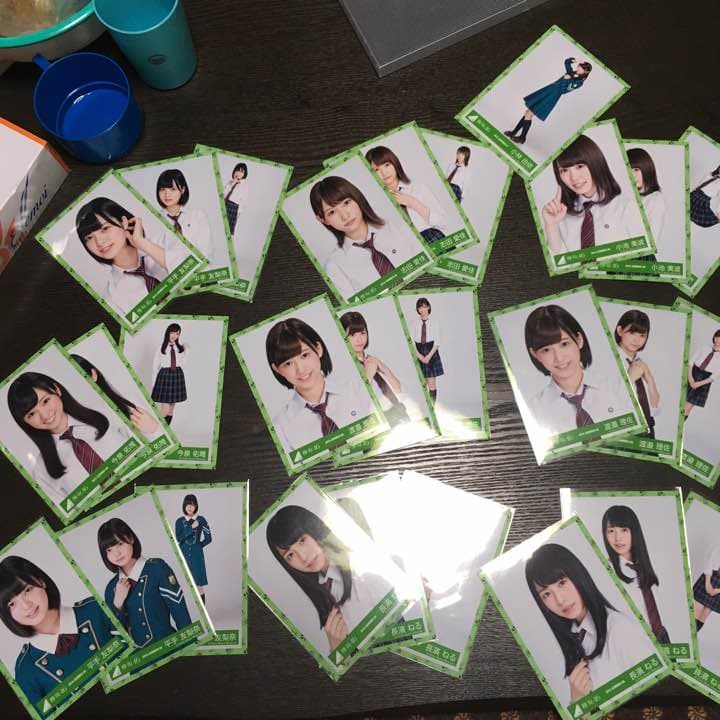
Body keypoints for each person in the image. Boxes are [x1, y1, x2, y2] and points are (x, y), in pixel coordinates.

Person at [525, 543, 649, 705]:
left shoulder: (620, 630)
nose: (560, 600)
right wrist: (577, 701)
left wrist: (581, 704)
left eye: (562, 583)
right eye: (546, 594)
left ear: (578, 575)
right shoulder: (575, 639)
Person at [266, 505, 391, 655]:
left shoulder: (363, 571)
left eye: (302, 540)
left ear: (313, 528)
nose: (303, 557)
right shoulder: (323, 593)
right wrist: (336, 648)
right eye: (290, 555)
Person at [0, 555, 113, 707]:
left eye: (27, 590)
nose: (26, 605)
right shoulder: (25, 670)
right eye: (12, 604)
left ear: (41, 581)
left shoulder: (97, 609)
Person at [7, 372, 128, 505]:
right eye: (31, 414)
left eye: (45, 401)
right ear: (25, 422)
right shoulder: (42, 471)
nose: (44, 415)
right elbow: (71, 512)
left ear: (56, 389)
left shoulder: (106, 412)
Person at [266, 317, 373, 453]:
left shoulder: (355, 388)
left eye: (304, 355)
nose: (300, 369)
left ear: (318, 349)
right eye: (288, 363)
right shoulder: (281, 427)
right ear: (277, 369)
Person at [524, 304, 625, 438]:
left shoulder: (615, 386)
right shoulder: (533, 411)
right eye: (546, 350)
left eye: (564, 344)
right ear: (534, 354)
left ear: (579, 340)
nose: (559, 358)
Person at [75, 197, 186, 316]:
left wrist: (142, 243)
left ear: (124, 222)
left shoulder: (166, 242)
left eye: (105, 228)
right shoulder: (112, 298)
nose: (99, 242)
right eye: (89, 237)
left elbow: (192, 271)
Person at [309, 175, 416, 299]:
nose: (345, 216)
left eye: (346, 202)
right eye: (331, 212)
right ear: (322, 219)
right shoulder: (335, 267)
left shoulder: (398, 226)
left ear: (356, 197)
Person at [541, 134, 642, 256]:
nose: (574, 177)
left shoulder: (628, 207)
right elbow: (561, 260)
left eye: (579, 166)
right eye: (564, 170)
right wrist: (551, 226)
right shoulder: (562, 214)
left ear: (595, 162)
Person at [98, 518, 191, 648]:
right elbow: (116, 639)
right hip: (138, 659)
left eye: (120, 544)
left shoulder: (157, 569)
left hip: (171, 649)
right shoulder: (111, 588)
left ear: (131, 538)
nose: (116, 553)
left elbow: (181, 614)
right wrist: (117, 605)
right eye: (109, 550)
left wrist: (190, 649)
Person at [602, 505, 670, 643]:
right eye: (611, 531)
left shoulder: (645, 565)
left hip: (662, 636)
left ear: (634, 531)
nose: (617, 538)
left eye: (624, 530)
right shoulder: (606, 572)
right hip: (637, 642)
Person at [365, 146, 449, 248]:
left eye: (387, 165)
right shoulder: (377, 204)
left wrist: (412, 202)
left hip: (433, 239)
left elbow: (443, 222)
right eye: (377, 170)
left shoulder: (417, 188)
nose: (384, 172)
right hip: (409, 248)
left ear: (394, 163)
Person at [340, 310, 410, 427]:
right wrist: (368, 375)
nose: (359, 339)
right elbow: (354, 407)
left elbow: (398, 389)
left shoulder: (374, 359)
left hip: (399, 413)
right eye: (352, 335)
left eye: (362, 333)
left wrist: (384, 369)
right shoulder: (344, 369)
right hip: (377, 422)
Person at [504, 57, 592, 145]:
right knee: (528, 112)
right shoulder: (573, 73)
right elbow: (567, 62)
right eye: (579, 66)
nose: (578, 67)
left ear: (585, 72)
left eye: (581, 68)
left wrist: (566, 79)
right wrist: (576, 60)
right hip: (548, 91)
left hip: (552, 96)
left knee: (529, 113)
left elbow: (563, 91)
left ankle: (522, 137)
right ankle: (514, 132)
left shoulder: (579, 82)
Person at [71, 354, 160, 438]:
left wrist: (153, 430)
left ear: (93, 374)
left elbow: (160, 437)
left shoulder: (131, 402)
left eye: (81, 379)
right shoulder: (78, 428)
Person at [614, 310, 660, 439]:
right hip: (623, 431)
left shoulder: (643, 364)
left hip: (648, 430)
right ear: (620, 330)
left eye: (642, 335)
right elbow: (607, 405)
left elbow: (655, 408)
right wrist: (630, 379)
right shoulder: (609, 359)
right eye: (632, 332)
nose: (637, 340)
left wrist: (650, 379)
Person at [156, 168, 213, 262]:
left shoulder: (197, 216)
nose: (167, 195)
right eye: (162, 189)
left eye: (173, 189)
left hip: (197, 268)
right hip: (166, 270)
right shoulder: (154, 220)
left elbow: (205, 251)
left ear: (182, 189)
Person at [627, 147, 663, 261]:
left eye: (636, 169)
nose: (632, 175)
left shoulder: (655, 199)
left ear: (646, 169)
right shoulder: (630, 197)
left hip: (640, 257)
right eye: (628, 170)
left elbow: (651, 240)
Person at [175, 494, 212, 605]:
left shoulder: (201, 520)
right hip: (183, 554)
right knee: (183, 584)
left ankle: (202, 611)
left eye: (192, 505)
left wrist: (198, 547)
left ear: (196, 506)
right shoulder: (179, 521)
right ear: (184, 506)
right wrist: (191, 528)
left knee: (198, 585)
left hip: (197, 556)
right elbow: (178, 538)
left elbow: (209, 538)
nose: (190, 507)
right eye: (187, 504)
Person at [151, 323, 188, 426]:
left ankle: (166, 430)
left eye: (177, 333)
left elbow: (182, 363)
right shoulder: (161, 348)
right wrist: (153, 383)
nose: (174, 335)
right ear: (168, 332)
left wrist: (186, 351)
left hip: (177, 376)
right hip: (165, 376)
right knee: (165, 410)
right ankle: (157, 428)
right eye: (173, 332)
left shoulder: (179, 348)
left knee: (171, 409)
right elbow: (155, 366)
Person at [412, 297, 443, 405]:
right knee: (422, 383)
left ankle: (432, 407)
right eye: (420, 307)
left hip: (431, 351)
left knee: (431, 383)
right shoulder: (414, 323)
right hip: (418, 350)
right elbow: (411, 342)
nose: (423, 309)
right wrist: (419, 356)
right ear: (418, 309)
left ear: (428, 307)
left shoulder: (435, 322)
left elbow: (437, 342)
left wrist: (428, 357)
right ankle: (423, 406)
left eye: (425, 307)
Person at [685, 329, 720, 418]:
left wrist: (699, 384)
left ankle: (680, 425)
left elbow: (715, 376)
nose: (718, 340)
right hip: (693, 372)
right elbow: (691, 362)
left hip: (705, 380)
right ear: (714, 337)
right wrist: (690, 378)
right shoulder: (704, 347)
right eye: (717, 337)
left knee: (687, 408)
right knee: (681, 403)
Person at [693, 546, 720, 631]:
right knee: (694, 614)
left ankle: (691, 637)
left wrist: (717, 590)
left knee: (704, 615)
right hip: (708, 579)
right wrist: (707, 584)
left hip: (718, 588)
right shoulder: (718, 550)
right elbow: (710, 565)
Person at [690, 163, 720, 228]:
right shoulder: (709, 174)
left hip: (704, 200)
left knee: (704, 219)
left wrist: (718, 211)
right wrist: (692, 191)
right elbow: (700, 184)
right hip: (696, 194)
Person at [223, 162, 249, 237]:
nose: (239, 173)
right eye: (237, 170)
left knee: (227, 232)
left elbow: (243, 202)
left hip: (233, 209)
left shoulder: (244, 185)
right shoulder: (230, 182)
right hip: (225, 205)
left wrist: (237, 216)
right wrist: (233, 182)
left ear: (244, 174)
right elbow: (223, 195)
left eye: (242, 171)